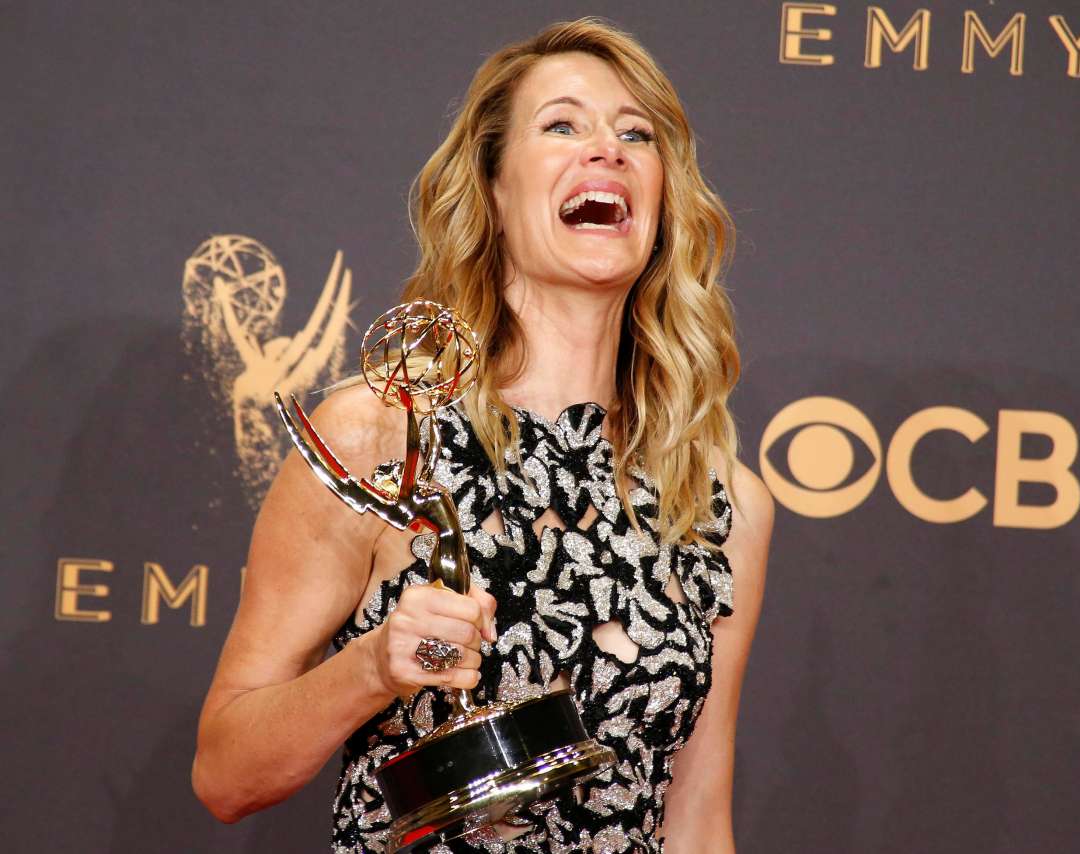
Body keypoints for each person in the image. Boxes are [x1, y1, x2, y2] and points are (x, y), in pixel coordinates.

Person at [193, 17, 773, 853]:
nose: (606, 150)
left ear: (664, 202)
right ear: (494, 189)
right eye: (562, 125)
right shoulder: (379, 436)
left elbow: (697, 817)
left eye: (635, 134)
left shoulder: (719, 502)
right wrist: (371, 670)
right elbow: (226, 774)